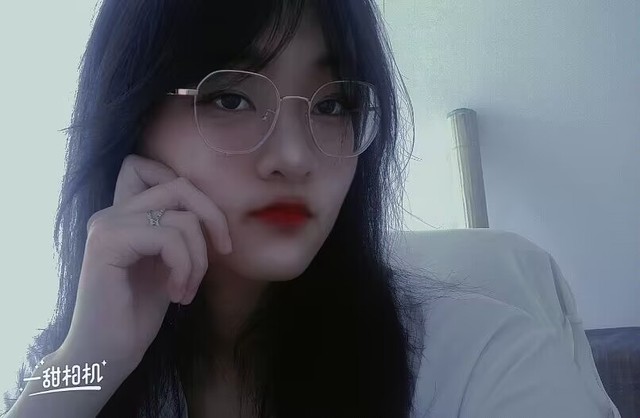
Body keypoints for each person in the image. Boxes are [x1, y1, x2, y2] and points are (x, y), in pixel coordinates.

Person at [0, 1, 617, 417]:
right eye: (231, 98)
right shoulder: (71, 360)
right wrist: (87, 360)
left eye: (333, 104)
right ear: (132, 122)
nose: (295, 157)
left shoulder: (483, 361)